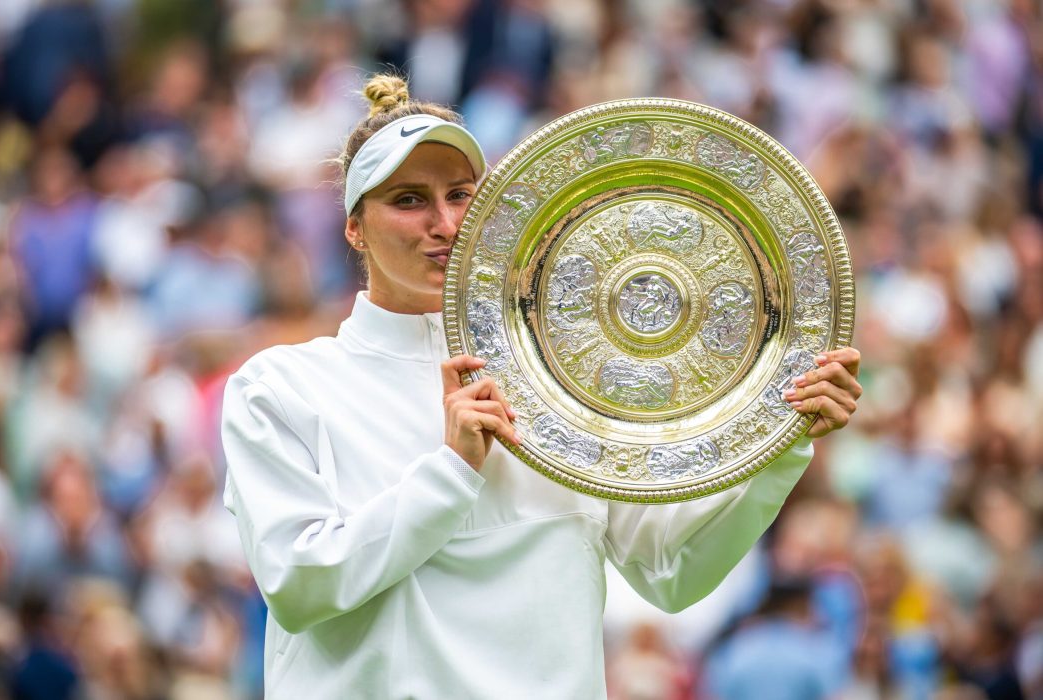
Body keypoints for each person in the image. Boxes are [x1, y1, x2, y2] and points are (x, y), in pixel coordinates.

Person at [221, 74, 863, 697]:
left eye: (462, 195)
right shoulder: (281, 387)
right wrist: (451, 470)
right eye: (408, 199)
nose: (444, 223)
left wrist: (781, 439)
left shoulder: (564, 380)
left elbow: (671, 573)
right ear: (354, 227)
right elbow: (299, 585)